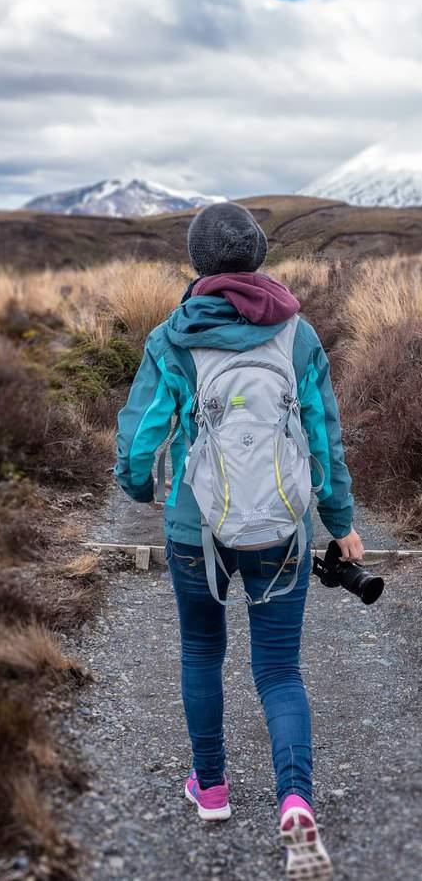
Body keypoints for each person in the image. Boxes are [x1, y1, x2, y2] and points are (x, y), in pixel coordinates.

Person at [116, 202, 364, 880]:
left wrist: (140, 490)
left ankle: (213, 789)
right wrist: (339, 522)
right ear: (255, 256)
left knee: (201, 650)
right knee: (279, 671)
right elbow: (322, 440)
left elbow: (142, 438)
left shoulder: (172, 337)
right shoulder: (298, 335)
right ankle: (293, 800)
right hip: (281, 526)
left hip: (197, 526)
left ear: (198, 262)